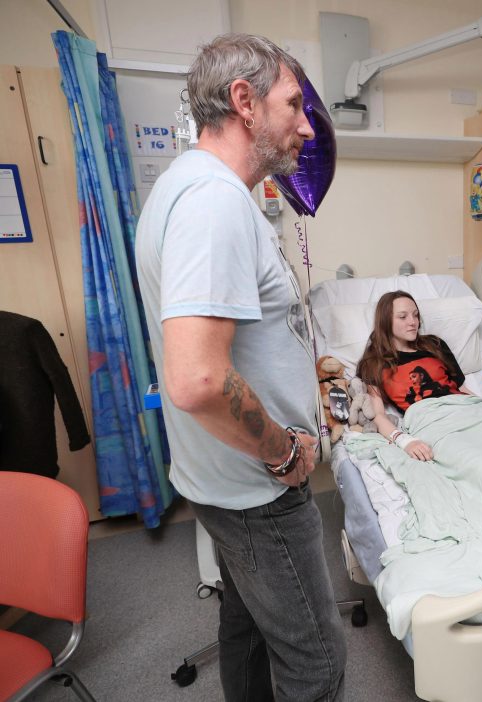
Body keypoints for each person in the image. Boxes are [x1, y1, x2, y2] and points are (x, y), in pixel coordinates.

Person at [134, 34, 346, 700]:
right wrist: (284, 453)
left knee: (248, 625)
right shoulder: (214, 203)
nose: (307, 127)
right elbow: (198, 378)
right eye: (295, 105)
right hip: (259, 489)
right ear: (244, 101)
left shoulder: (187, 188)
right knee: (315, 656)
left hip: (219, 477)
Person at [356, 291, 482, 461]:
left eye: (415, 315)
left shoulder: (434, 344)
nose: (413, 322)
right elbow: (378, 415)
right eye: (403, 317)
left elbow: (462, 389)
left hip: (468, 409)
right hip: (432, 420)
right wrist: (405, 441)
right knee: (474, 460)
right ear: (385, 321)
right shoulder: (374, 362)